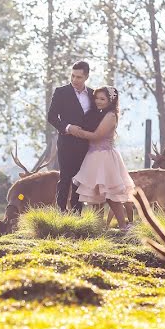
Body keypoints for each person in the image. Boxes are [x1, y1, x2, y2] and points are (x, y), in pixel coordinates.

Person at [69, 86, 135, 229]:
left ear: (111, 101)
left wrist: (76, 132)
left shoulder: (110, 115)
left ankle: (123, 225)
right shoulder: (99, 113)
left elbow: (97, 135)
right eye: (96, 98)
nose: (98, 101)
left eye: (102, 99)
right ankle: (98, 226)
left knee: (111, 195)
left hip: (105, 158)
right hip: (93, 157)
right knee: (95, 194)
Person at [46, 61, 94, 212]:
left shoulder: (93, 94)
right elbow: (52, 117)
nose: (74, 80)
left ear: (86, 76)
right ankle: (60, 212)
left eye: (79, 77)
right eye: (72, 76)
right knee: (65, 177)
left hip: (86, 145)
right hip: (66, 142)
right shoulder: (61, 92)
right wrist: (68, 128)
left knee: (80, 179)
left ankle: (77, 213)